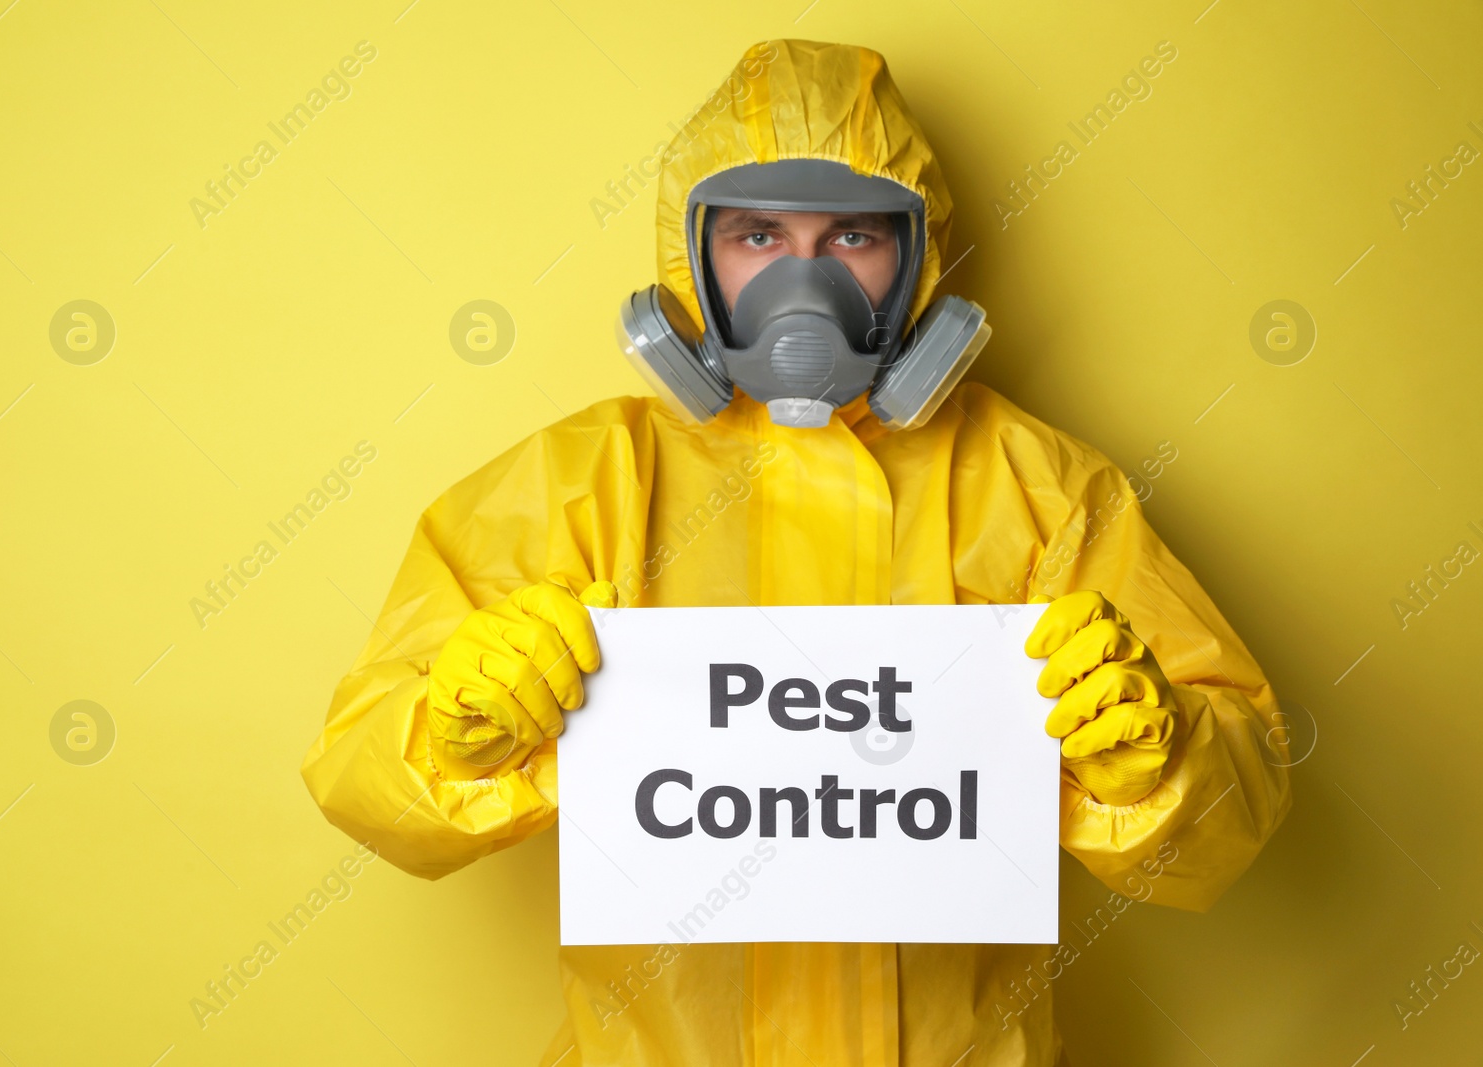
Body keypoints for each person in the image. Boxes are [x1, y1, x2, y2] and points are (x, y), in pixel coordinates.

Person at [301, 38, 1291, 1067]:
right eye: (758, 235)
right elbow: (360, 776)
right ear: (690, 256)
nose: (803, 283)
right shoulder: (586, 484)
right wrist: (452, 735)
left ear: (917, 256)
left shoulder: (1035, 487)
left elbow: (1240, 807)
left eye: (854, 234)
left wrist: (1158, 762)